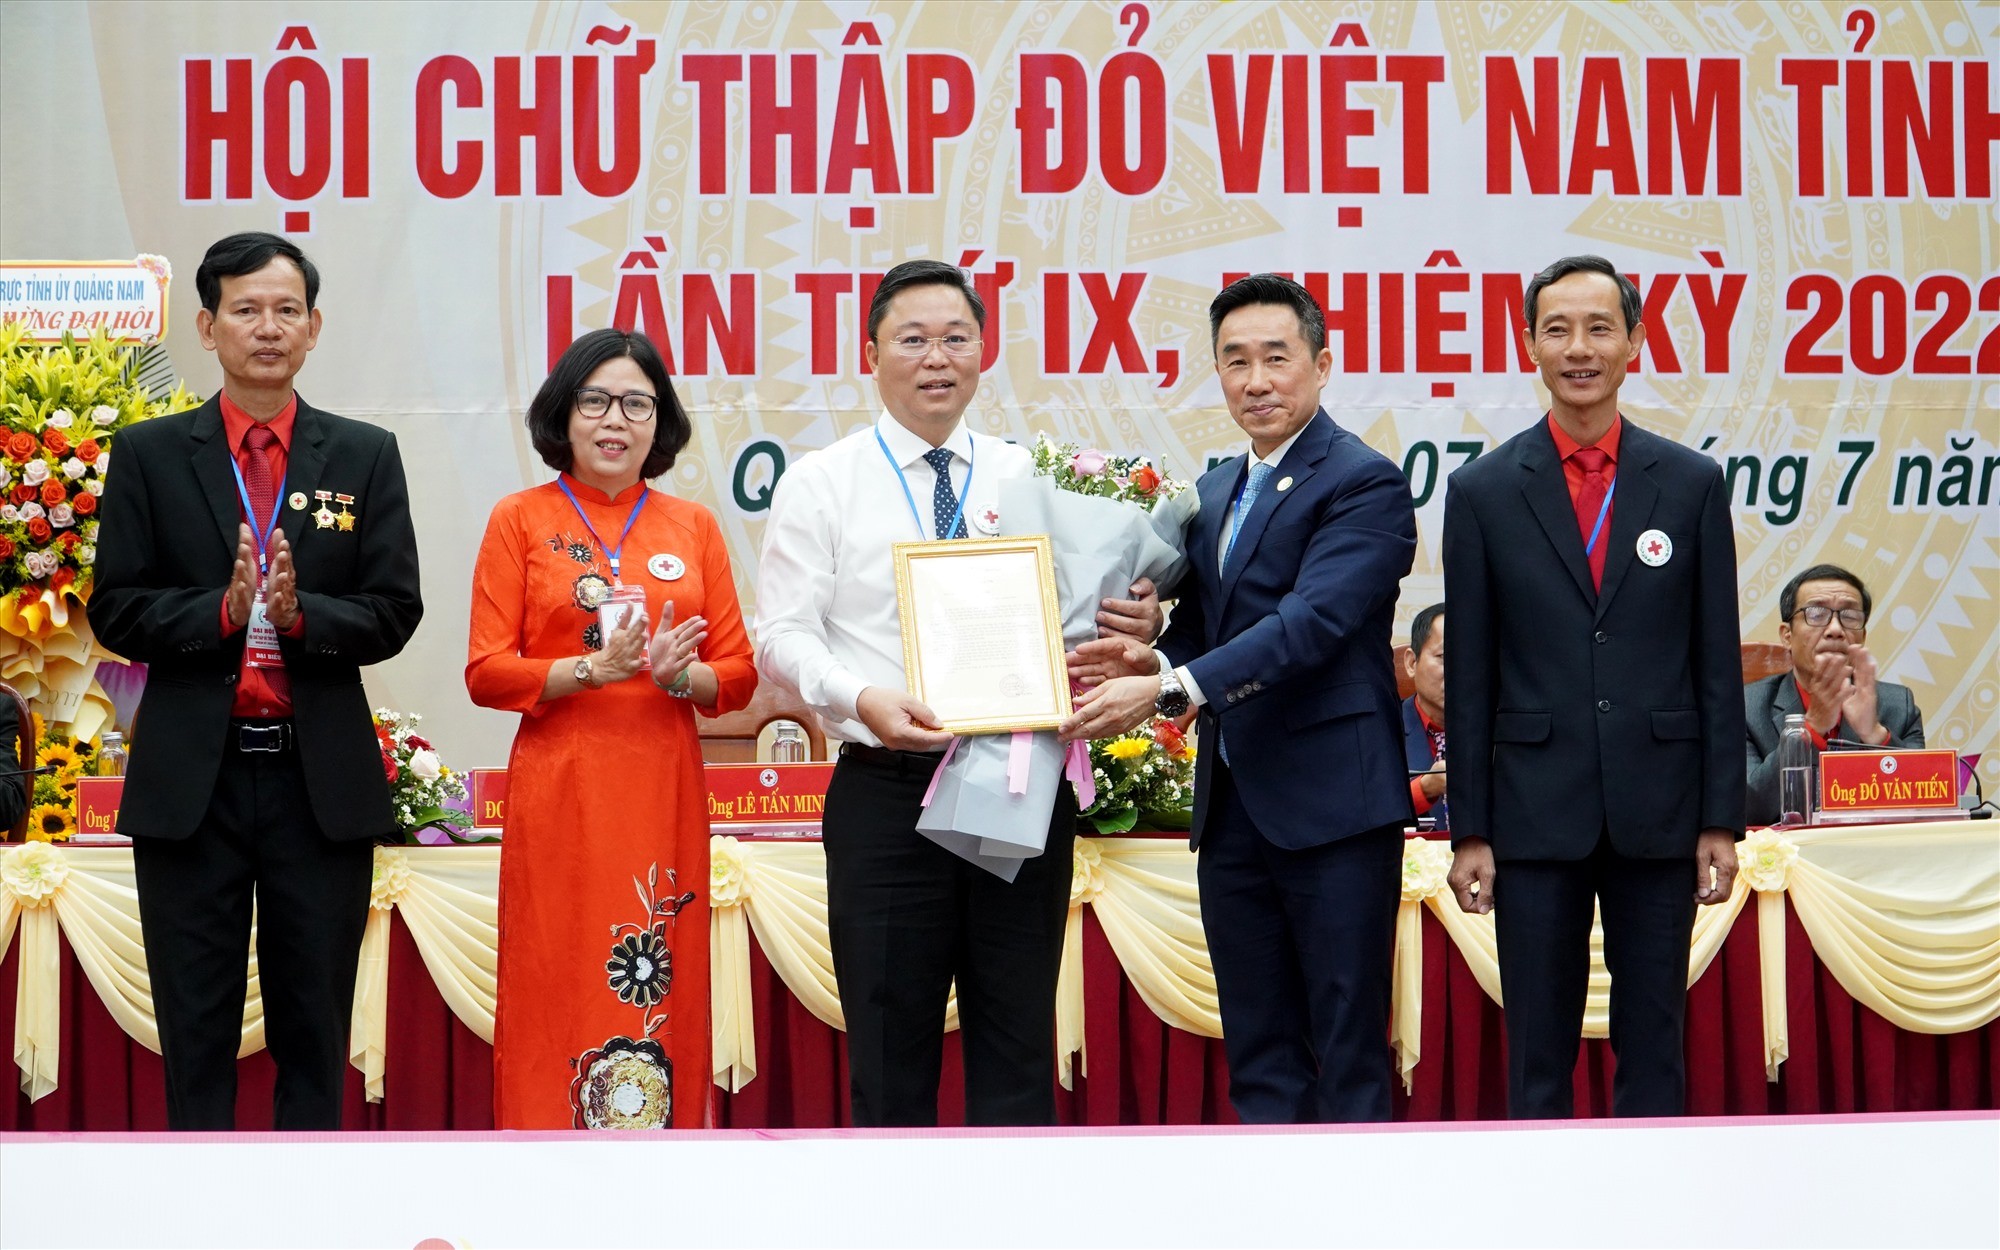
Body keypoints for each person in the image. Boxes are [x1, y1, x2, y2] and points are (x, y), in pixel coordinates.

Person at [756, 259, 1156, 1126]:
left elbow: (1090, 609)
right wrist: (860, 696)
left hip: (1018, 782)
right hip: (887, 793)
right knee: (889, 1052)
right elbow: (781, 635)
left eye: (955, 338)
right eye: (913, 340)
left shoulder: (1032, 477)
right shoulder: (823, 481)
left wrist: (1137, 616)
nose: (936, 358)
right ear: (871, 355)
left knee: (1018, 1047)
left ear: (982, 351)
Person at [1062, 273, 1418, 1123]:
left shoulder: (1364, 482)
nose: (1256, 381)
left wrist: (1168, 687)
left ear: (1321, 365)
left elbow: (1311, 623)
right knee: (1256, 1048)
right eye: (1235, 361)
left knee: (1347, 1047)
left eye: (1276, 358)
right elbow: (1208, 629)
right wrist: (1151, 650)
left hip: (1335, 808)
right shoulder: (1216, 489)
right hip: (1233, 811)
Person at [90, 232, 423, 1129]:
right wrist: (222, 611)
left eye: (286, 310)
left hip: (317, 786)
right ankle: (199, 1201)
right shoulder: (151, 453)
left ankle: (307, 1200)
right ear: (208, 327)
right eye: (246, 310)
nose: (267, 328)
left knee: (315, 1030)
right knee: (193, 1030)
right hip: (191, 784)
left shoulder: (363, 454)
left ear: (314, 327)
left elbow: (394, 610)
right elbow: (115, 609)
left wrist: (301, 614)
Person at [1442, 254, 1743, 1119]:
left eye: (1600, 328)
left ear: (1634, 342)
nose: (1580, 348)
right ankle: (1541, 1192)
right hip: (1533, 815)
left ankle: (1655, 1192)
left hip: (1661, 810)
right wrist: (1472, 830)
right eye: (1558, 330)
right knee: (1537, 1053)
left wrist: (1719, 818)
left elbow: (1715, 661)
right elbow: (1471, 679)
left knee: (1655, 1045)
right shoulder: (1483, 491)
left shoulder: (1689, 483)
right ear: (1529, 344)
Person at [466, 327, 755, 1130]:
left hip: (660, 786)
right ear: (564, 412)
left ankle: (652, 1154)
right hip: (561, 784)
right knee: (555, 965)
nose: (615, 421)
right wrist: (591, 670)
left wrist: (675, 676)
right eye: (595, 401)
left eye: (637, 403)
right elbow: (486, 672)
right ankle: (544, 1151)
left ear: (661, 422)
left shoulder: (692, 526)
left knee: (654, 968)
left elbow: (736, 674)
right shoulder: (520, 519)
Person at [1745, 564, 1924, 824]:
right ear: (1787, 636)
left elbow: (1923, 804)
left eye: (1849, 616)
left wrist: (1875, 735)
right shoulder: (1747, 708)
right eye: (1816, 614)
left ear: (1862, 636)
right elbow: (1746, 808)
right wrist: (1811, 729)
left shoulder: (1898, 705)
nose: (1835, 629)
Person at [1403, 602, 1449, 832]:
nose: (1462, 670)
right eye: (1444, 656)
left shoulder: (1504, 730)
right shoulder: (1380, 730)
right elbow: (1363, 810)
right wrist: (1426, 788)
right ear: (1412, 663)